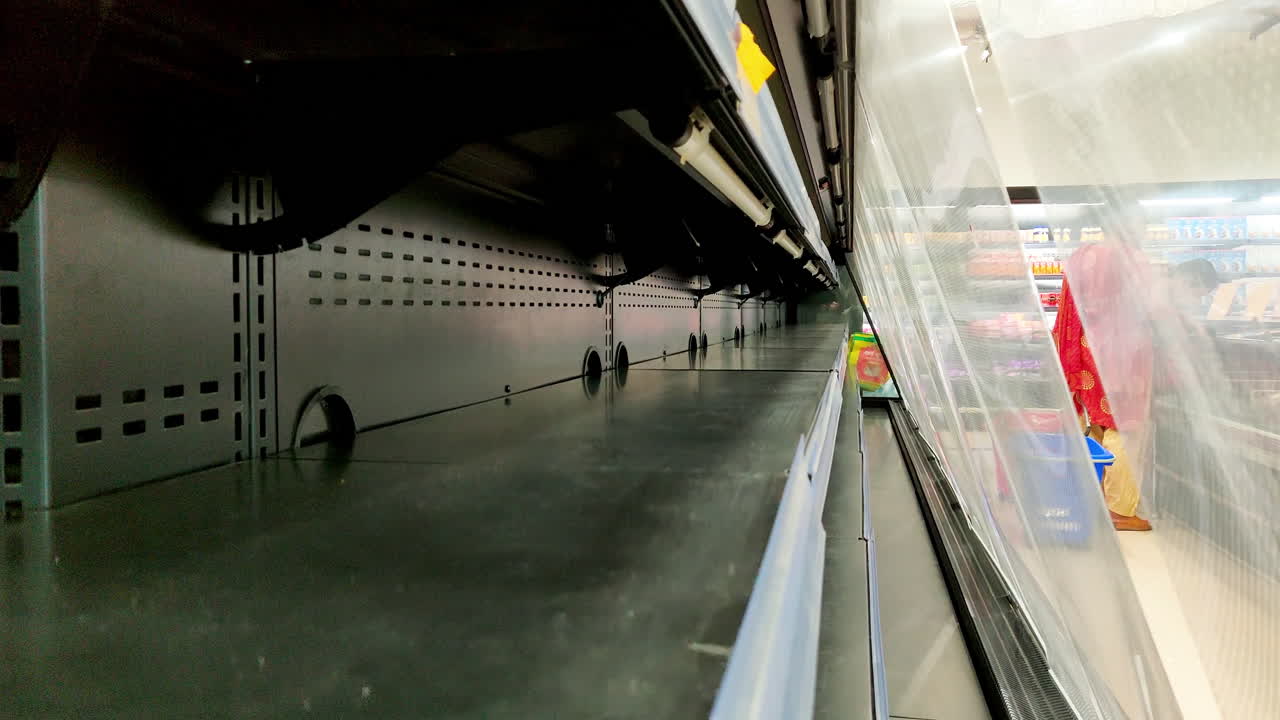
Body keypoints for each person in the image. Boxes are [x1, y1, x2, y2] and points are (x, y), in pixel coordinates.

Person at [1053, 244, 1154, 531]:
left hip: (1084, 346)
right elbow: (1146, 306)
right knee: (1124, 426)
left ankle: (1097, 493)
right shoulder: (1125, 257)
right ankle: (1119, 509)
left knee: (1097, 420)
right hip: (1117, 348)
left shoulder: (1081, 255)